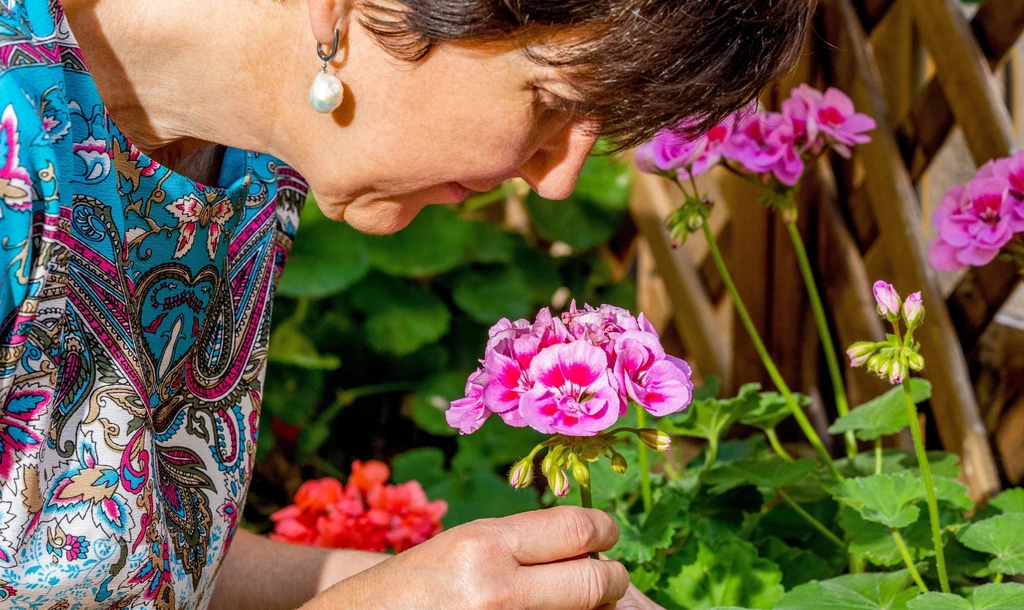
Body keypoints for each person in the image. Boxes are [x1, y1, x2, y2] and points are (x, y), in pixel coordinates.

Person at [0, 0, 808, 607]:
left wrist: (430, 585)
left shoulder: (247, 162)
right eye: (553, 100)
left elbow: (113, 556)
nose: (559, 177)